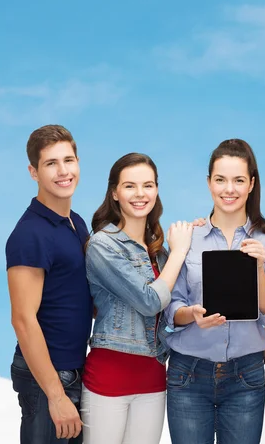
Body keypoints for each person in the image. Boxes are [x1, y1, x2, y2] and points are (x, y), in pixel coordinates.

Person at [162, 138, 265, 444]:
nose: (229, 189)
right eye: (220, 180)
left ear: (251, 184)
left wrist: (258, 268)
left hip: (246, 376)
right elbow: (170, 307)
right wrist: (191, 315)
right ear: (208, 183)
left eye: (238, 180)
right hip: (188, 374)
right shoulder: (189, 237)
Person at [80, 153, 193, 444]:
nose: (140, 194)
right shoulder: (103, 244)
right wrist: (180, 251)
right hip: (108, 378)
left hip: (154, 378)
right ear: (115, 192)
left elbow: (173, 306)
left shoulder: (159, 251)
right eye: (130, 186)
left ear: (156, 189)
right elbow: (149, 301)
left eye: (148, 185)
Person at [6, 124, 93, 444]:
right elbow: (23, 319)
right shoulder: (30, 234)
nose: (63, 171)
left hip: (74, 371)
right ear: (34, 171)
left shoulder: (76, 222)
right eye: (51, 163)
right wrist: (56, 396)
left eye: (68, 160)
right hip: (46, 380)